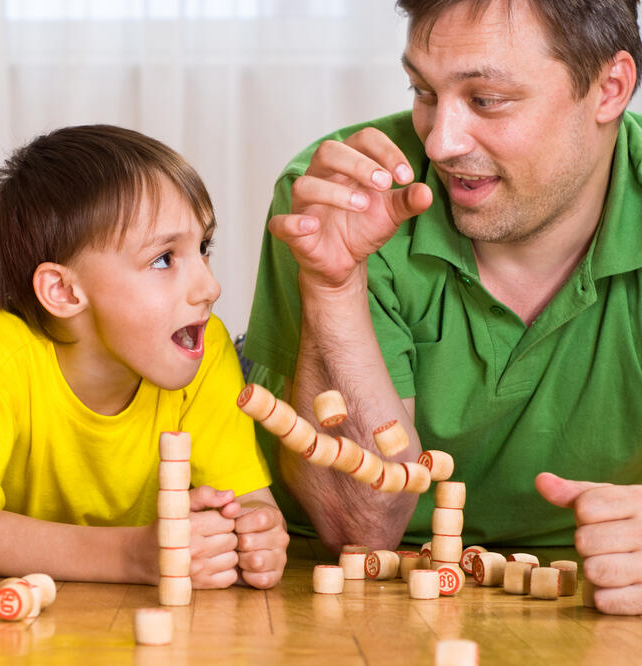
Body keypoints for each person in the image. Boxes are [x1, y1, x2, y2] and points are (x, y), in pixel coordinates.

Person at [243, 0, 642, 614]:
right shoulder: (333, 201)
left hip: (593, 595)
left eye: (487, 99)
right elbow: (361, 527)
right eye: (423, 90)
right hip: (357, 596)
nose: (442, 140)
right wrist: (334, 286)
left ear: (610, 88)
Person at [0, 125, 288, 589]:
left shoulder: (205, 345)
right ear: (64, 291)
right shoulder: (4, 349)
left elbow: (252, 502)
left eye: (203, 248)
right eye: (163, 259)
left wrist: (255, 534)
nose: (210, 288)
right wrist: (132, 557)